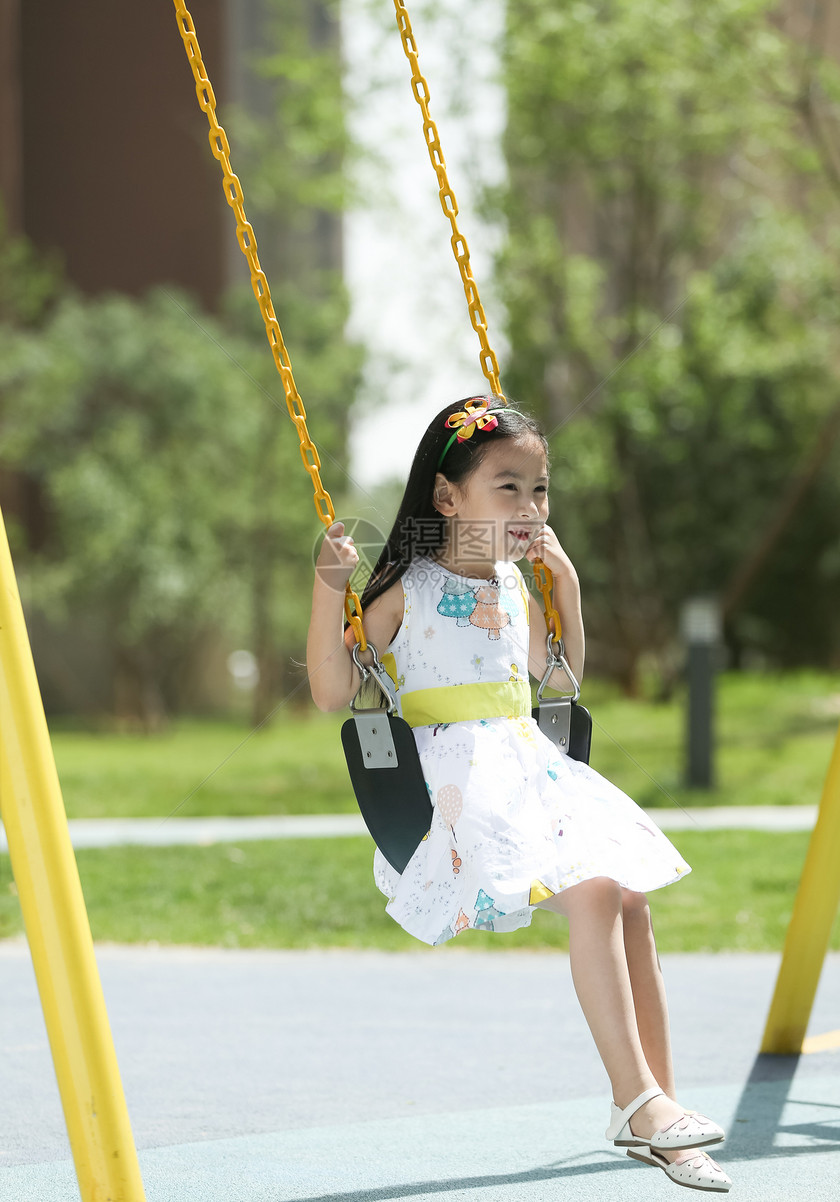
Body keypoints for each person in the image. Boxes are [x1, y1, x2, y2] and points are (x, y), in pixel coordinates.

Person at [307, 394, 731, 1194]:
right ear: (447, 497)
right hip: (457, 788)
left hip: (528, 766)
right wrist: (330, 592)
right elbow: (334, 692)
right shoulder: (411, 588)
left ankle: (661, 1113)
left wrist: (563, 582)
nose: (531, 508)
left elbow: (558, 677)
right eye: (510, 488)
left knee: (630, 897)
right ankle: (636, 1102)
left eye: (540, 491)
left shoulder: (512, 584)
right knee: (597, 891)